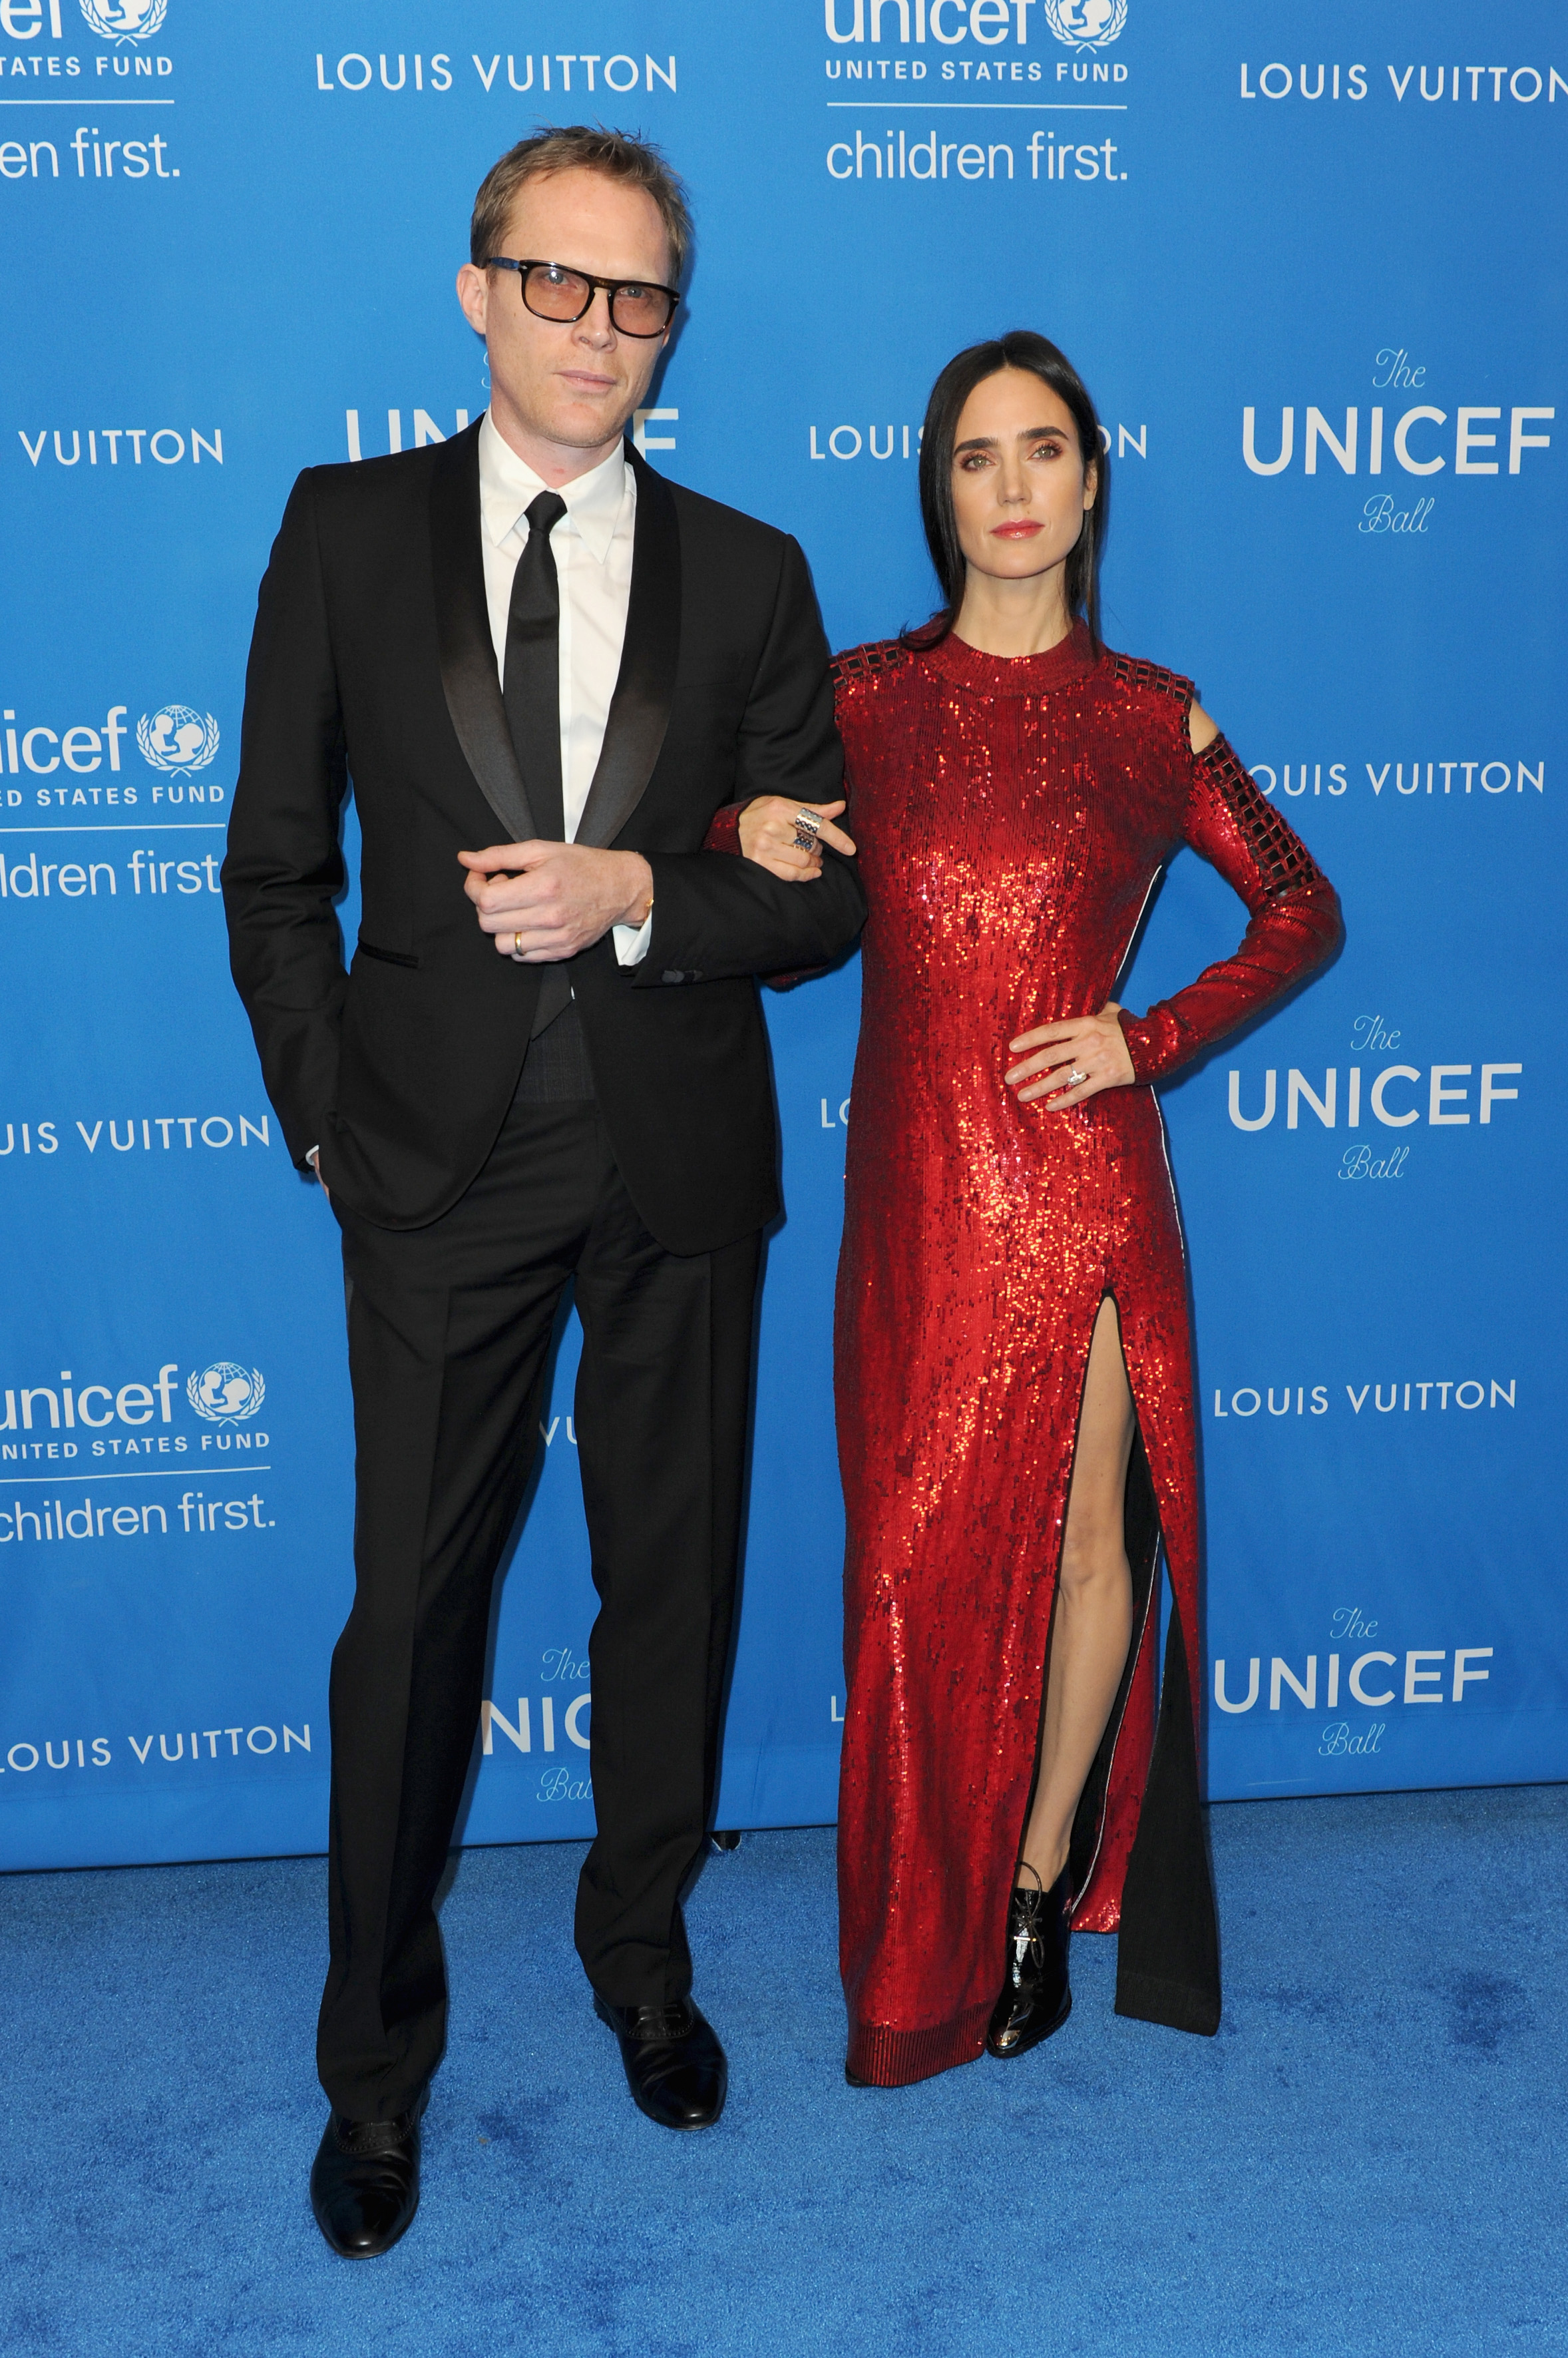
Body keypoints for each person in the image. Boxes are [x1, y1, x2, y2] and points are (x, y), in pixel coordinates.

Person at [223, 125, 865, 2254]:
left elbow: (816, 901)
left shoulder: (750, 573)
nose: (600, 328)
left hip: (677, 1161)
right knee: (410, 1617)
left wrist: (637, 895)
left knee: (669, 1594)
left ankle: (642, 1966)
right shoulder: (344, 531)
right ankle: (373, 2068)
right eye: (559, 282)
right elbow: (276, 869)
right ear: (479, 291)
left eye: (639, 294)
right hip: (429, 1167)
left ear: (674, 322)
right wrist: (330, 1122)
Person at [721, 331, 1341, 2086]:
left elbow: (1301, 909)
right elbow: (738, 840)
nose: (1011, 487)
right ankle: (914, 1925)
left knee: (1084, 1550)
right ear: (940, 490)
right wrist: (745, 819)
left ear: (1089, 483)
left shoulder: (1151, 715)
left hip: (1082, 1194)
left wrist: (1148, 1038)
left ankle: (1037, 1878)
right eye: (976, 456)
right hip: (917, 1202)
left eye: (1042, 450)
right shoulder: (859, 697)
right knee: (905, 1561)